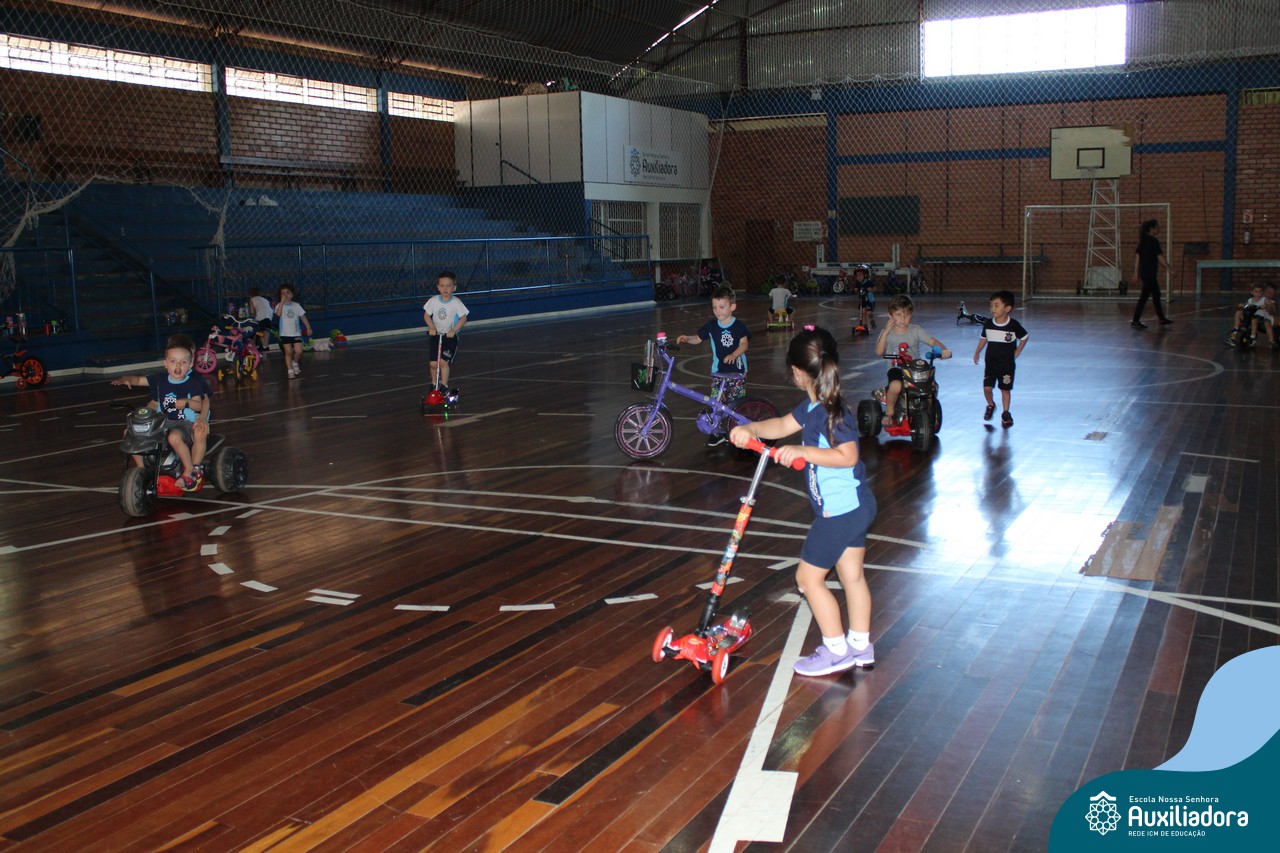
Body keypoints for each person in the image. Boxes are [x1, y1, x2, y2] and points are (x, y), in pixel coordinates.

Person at [728, 325, 878, 676]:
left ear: (798, 372)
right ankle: (860, 645)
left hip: (840, 513)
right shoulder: (813, 405)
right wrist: (751, 429)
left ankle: (836, 650)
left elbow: (848, 456)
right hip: (855, 507)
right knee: (852, 575)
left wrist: (804, 451)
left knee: (808, 580)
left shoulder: (832, 411)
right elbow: (782, 425)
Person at [109, 334, 211, 491]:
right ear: (166, 362)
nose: (178, 365)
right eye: (173, 360)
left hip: (185, 421)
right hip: (165, 420)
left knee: (182, 435)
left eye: (184, 360)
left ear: (191, 362)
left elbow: (202, 402)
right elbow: (141, 383)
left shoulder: (193, 381)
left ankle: (192, 469)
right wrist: (126, 378)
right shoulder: (161, 380)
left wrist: (195, 410)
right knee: (130, 432)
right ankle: (142, 469)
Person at [676, 284, 751, 447]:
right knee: (714, 403)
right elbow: (698, 338)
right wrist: (687, 338)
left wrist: (734, 355)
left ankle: (740, 432)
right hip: (718, 372)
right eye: (714, 307)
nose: (717, 311)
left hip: (737, 373)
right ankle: (717, 433)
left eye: (721, 307)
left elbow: (744, 344)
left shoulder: (739, 326)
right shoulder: (711, 326)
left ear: (732, 307)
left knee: (735, 404)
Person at [874, 294, 951, 426]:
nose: (903, 319)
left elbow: (932, 341)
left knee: (931, 386)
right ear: (890, 316)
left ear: (912, 315)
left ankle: (929, 410)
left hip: (915, 368)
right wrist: (885, 333)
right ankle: (889, 412)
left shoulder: (915, 330)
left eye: (906, 315)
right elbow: (879, 352)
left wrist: (943, 350)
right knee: (896, 385)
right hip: (896, 368)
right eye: (898, 315)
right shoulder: (887, 333)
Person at [973, 290, 1030, 428]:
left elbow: (1024, 337)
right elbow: (983, 339)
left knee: (1005, 390)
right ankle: (991, 405)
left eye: (996, 305)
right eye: (991, 305)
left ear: (1007, 308)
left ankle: (1006, 413)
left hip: (1006, 365)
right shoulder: (988, 324)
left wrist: (1017, 352)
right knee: (987, 388)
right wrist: (977, 352)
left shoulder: (1013, 325)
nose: (992, 308)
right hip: (991, 365)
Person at [423, 270, 470, 392]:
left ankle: (444, 386)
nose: (445, 288)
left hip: (449, 338)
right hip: (436, 336)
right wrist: (432, 327)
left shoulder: (456, 302)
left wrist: (454, 330)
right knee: (433, 364)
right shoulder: (433, 301)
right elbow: (426, 315)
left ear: (454, 288)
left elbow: (463, 318)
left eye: (449, 286)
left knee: (443, 362)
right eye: (442, 286)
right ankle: (434, 384)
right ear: (438, 287)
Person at [1130, 219, 1173, 329]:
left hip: (1145, 273)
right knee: (1145, 297)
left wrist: (1136, 273)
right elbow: (1160, 257)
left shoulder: (1143, 241)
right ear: (1152, 229)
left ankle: (1161, 318)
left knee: (1156, 294)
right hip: (1149, 273)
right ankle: (1135, 321)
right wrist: (1170, 269)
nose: (1159, 229)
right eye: (1157, 227)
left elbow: (1137, 258)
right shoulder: (1153, 241)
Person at [274, 284, 312, 378]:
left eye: (287, 293)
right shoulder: (279, 305)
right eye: (283, 293)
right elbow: (278, 314)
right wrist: (281, 302)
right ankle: (290, 370)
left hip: (296, 333)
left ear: (292, 294)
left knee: (299, 351)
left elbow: (303, 317)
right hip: (285, 333)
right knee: (288, 352)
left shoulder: (296, 306)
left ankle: (295, 362)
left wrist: (308, 327)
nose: (285, 295)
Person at [248, 287, 274, 351]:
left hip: (261, 317)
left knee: (261, 331)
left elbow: (252, 312)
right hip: (269, 317)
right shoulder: (265, 299)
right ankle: (266, 346)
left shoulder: (252, 299)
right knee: (266, 331)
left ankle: (263, 347)